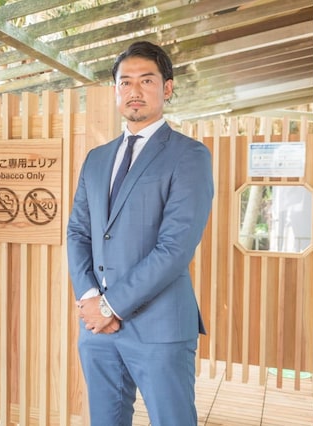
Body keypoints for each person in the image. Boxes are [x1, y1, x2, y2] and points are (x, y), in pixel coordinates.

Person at [66, 41, 213, 425]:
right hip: (97, 330)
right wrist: (89, 299)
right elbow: (78, 232)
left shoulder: (189, 156)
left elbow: (175, 247)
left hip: (160, 326)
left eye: (146, 80)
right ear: (115, 90)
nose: (134, 90)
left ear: (167, 88)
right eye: (125, 82)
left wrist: (111, 306)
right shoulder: (97, 159)